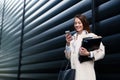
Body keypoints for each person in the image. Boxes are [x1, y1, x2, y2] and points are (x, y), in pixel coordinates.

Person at [64, 14, 105, 80]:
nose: (77, 25)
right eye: (75, 23)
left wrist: (88, 54)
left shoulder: (91, 36)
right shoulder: (72, 39)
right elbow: (68, 57)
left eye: (79, 23)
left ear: (84, 23)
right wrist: (68, 44)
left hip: (86, 75)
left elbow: (102, 52)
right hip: (74, 75)